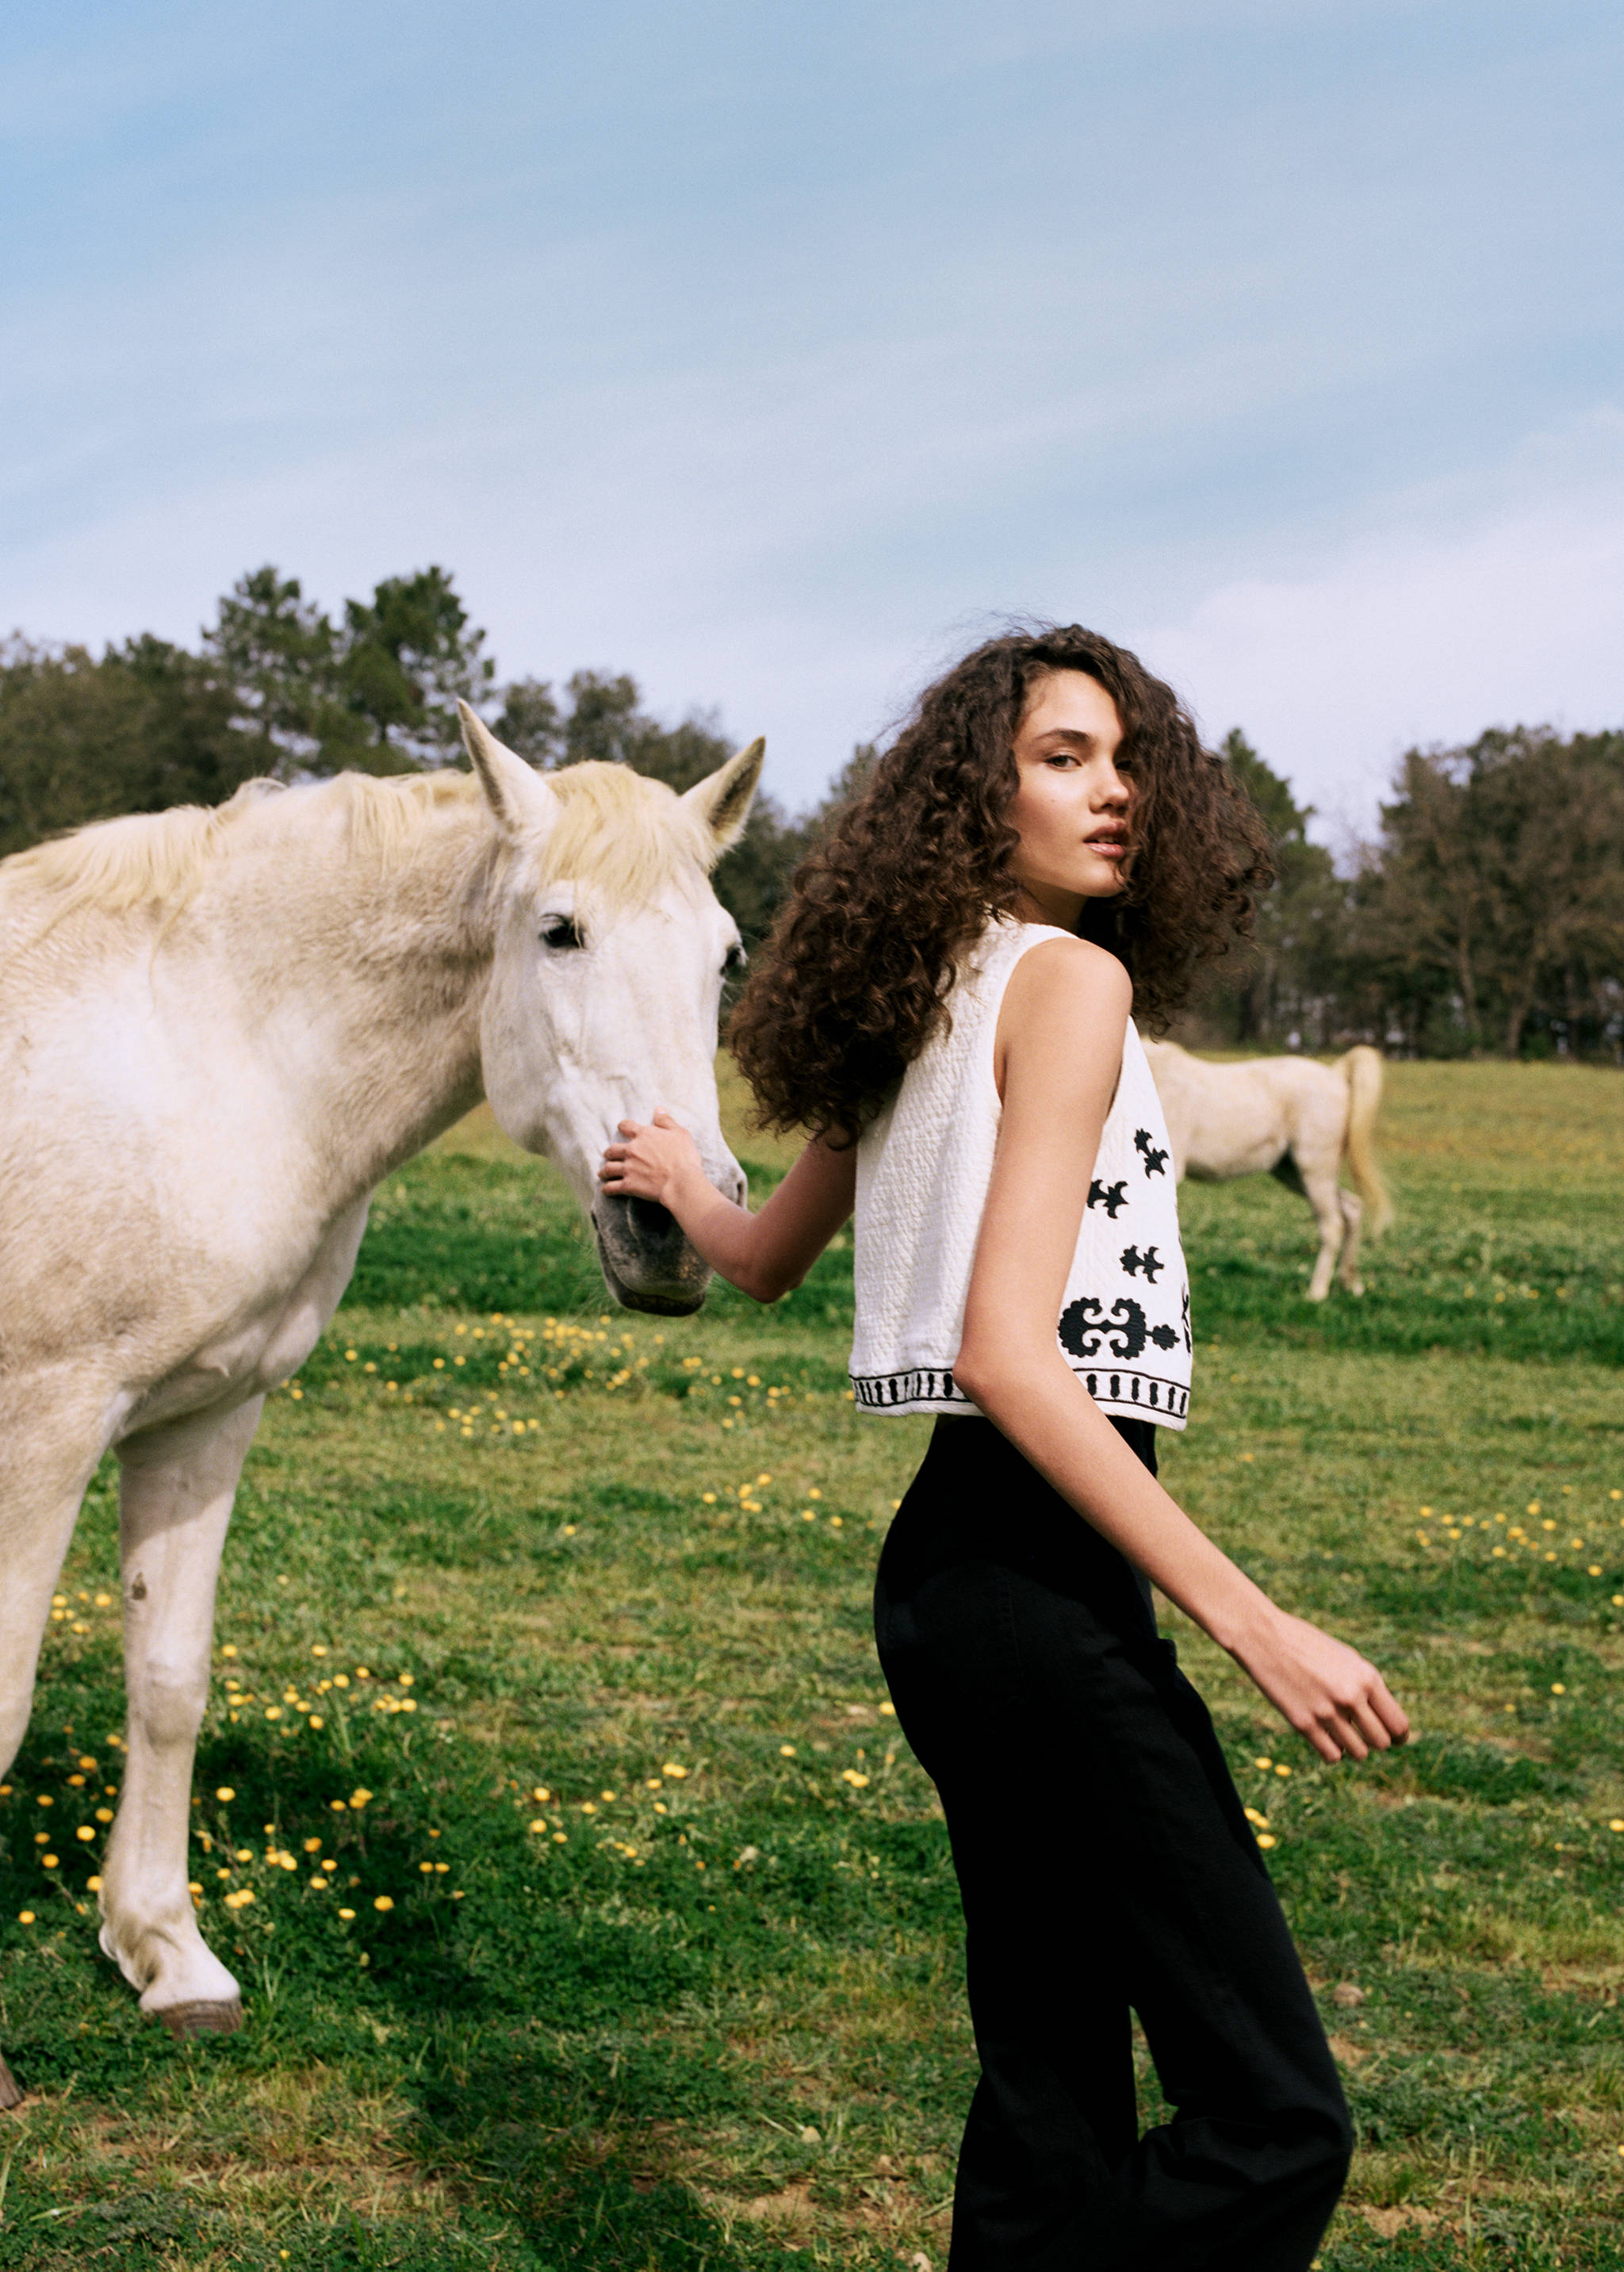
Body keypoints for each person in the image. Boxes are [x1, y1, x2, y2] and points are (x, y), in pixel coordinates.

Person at [598, 625, 1408, 2271]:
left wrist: (693, 1185)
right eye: (1062, 757)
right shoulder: (1070, 982)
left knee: (1051, 2091)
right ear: (982, 794)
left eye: (1125, 759)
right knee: (1275, 2117)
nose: (1112, 791)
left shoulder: (921, 1000)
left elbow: (763, 1261)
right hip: (1040, 1582)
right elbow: (1004, 1358)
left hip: (948, 1592)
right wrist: (1257, 1625)